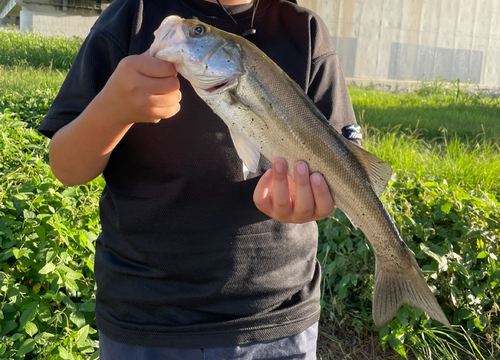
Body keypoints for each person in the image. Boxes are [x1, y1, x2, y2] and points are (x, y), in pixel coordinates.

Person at [38, 0, 361, 358]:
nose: (188, 32)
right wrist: (111, 109)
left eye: (197, 32)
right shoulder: (132, 16)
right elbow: (67, 168)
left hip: (277, 319)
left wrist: (310, 203)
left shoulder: (305, 30)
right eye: (196, 32)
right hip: (145, 320)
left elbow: (343, 164)